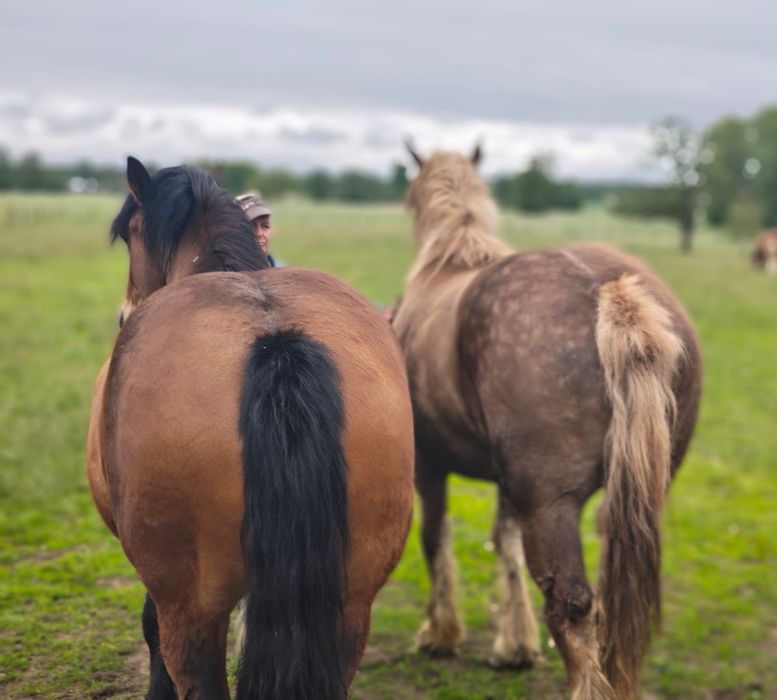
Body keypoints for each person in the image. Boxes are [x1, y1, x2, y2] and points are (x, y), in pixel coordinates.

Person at [235, 191, 279, 266]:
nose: (259, 233)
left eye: (265, 226)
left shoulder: (282, 271)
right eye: (251, 226)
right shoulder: (223, 273)